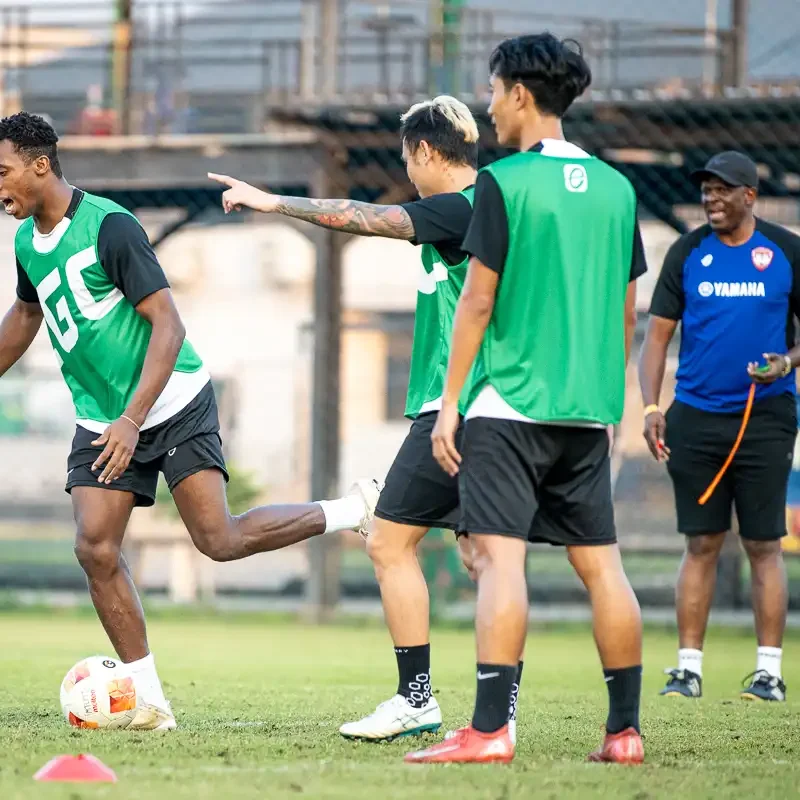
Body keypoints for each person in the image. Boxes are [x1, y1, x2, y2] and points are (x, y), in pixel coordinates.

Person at [1, 111, 380, 730]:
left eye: (4, 171)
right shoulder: (24, 243)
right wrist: (114, 418)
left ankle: (352, 510)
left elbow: (169, 326)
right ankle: (148, 698)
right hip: (101, 414)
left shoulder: (111, 227)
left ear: (40, 164)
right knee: (95, 547)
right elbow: (24, 318)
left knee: (219, 541)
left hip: (171, 400)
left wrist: (134, 418)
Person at [209, 95, 526, 744]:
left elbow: (370, 218)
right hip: (495, 406)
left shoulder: (458, 208)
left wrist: (275, 203)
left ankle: (417, 701)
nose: (408, 173)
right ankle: (500, 712)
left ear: (430, 154)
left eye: (409, 159)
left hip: (455, 407)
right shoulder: (497, 205)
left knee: (388, 540)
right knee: (484, 556)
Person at [407, 33, 647, 765]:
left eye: (491, 89)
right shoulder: (618, 187)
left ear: (518, 93)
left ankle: (488, 731)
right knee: (603, 567)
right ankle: (625, 733)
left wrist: (449, 403)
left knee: (501, 561)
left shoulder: (504, 183)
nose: (487, 105)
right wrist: (617, 402)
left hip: (508, 406)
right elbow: (624, 308)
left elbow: (476, 303)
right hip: (588, 409)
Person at [639, 151, 799, 702]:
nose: (710, 198)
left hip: (767, 418)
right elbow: (656, 337)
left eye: (722, 190)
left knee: (763, 543)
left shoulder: (784, 251)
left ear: (749, 196)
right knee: (701, 541)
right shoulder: (688, 253)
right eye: (705, 189)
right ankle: (687, 670)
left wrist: (788, 363)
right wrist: (649, 407)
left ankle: (769, 673)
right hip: (695, 419)